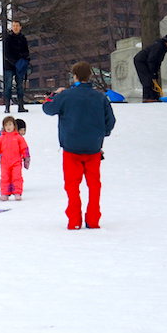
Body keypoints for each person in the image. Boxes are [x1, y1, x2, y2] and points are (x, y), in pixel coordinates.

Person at [42, 61, 116, 230]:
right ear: (89, 75)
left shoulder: (66, 95)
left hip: (71, 147)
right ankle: (93, 219)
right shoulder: (100, 97)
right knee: (94, 185)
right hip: (93, 148)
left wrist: (53, 95)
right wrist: (101, 134)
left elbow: (48, 109)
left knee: (72, 186)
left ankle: (74, 220)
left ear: (74, 75)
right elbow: (110, 121)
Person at [0, 116, 30, 201]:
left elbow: (24, 149)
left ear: (14, 126)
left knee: (17, 177)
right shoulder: (1, 138)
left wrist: (26, 159)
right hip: (5, 163)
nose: (8, 127)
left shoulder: (18, 137)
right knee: (5, 178)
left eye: (10, 124)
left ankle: (17, 192)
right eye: (6, 125)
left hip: (16, 162)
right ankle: (5, 193)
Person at [133, 33, 167, 101]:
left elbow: (158, 62)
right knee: (147, 79)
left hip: (147, 62)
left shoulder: (163, 48)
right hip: (141, 61)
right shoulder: (158, 46)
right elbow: (151, 60)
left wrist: (155, 72)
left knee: (152, 79)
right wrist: (152, 72)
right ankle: (147, 98)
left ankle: (154, 97)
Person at [2, 20, 30, 113]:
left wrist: (23, 60)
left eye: (17, 25)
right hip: (9, 66)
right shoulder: (8, 38)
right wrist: (15, 62)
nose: (15, 27)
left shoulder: (23, 38)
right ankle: (7, 107)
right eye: (13, 26)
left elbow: (27, 52)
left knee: (20, 86)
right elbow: (6, 53)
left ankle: (21, 106)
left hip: (20, 65)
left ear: (20, 27)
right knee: (8, 86)